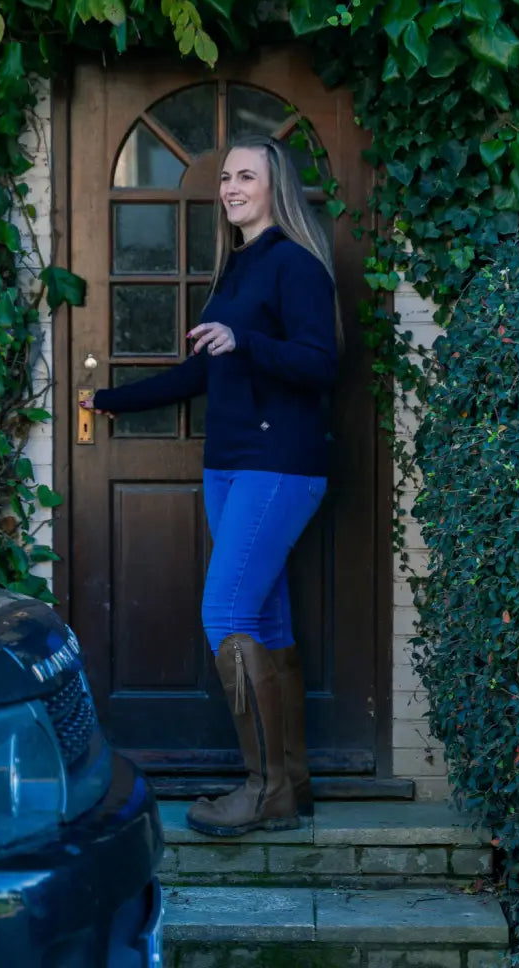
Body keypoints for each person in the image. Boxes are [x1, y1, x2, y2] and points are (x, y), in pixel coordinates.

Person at [81, 134, 341, 836]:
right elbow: (203, 371)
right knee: (265, 621)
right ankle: (289, 787)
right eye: (225, 176)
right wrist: (109, 401)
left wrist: (245, 341)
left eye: (246, 176)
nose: (230, 187)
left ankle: (260, 790)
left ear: (273, 186)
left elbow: (321, 363)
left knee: (224, 613)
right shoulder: (236, 270)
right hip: (228, 467)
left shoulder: (295, 264)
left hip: (279, 466)